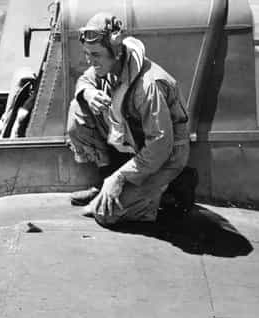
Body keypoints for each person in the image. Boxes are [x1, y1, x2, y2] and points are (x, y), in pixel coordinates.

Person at [67, 12, 196, 226]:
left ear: (116, 52)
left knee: (106, 214)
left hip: (165, 156)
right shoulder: (109, 66)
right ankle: (106, 180)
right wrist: (89, 94)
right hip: (137, 144)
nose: (89, 60)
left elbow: (160, 146)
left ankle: (175, 187)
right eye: (87, 54)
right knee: (77, 107)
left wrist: (120, 178)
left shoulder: (148, 87)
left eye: (95, 55)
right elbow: (83, 80)